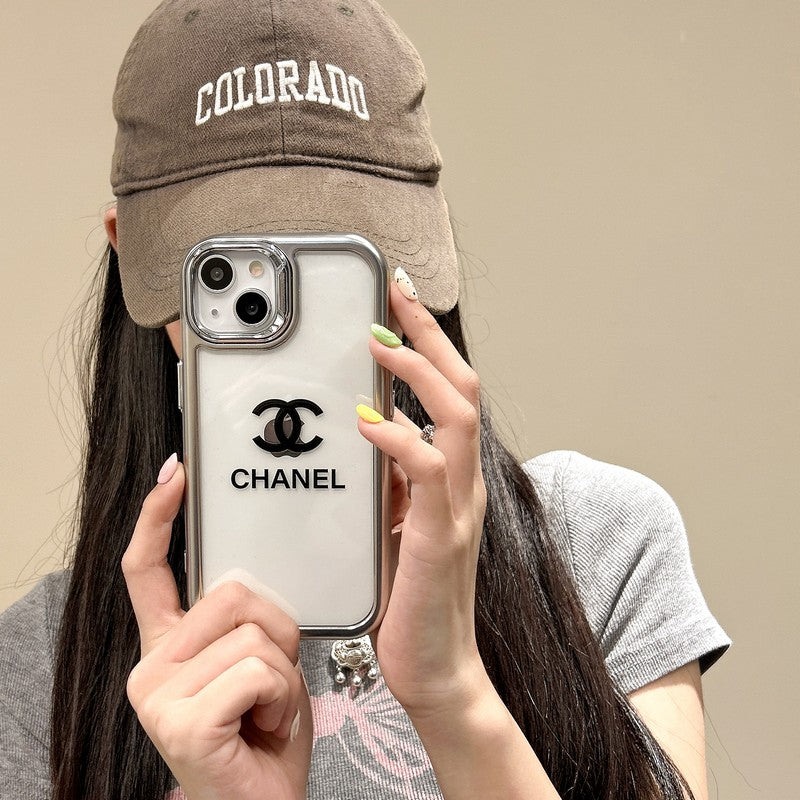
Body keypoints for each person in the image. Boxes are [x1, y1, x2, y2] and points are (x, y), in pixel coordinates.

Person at [0, 1, 731, 799]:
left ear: (427, 244)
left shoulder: (600, 550)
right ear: (128, 254)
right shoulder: (42, 668)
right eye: (234, 280)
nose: (296, 333)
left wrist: (455, 697)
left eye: (337, 270)